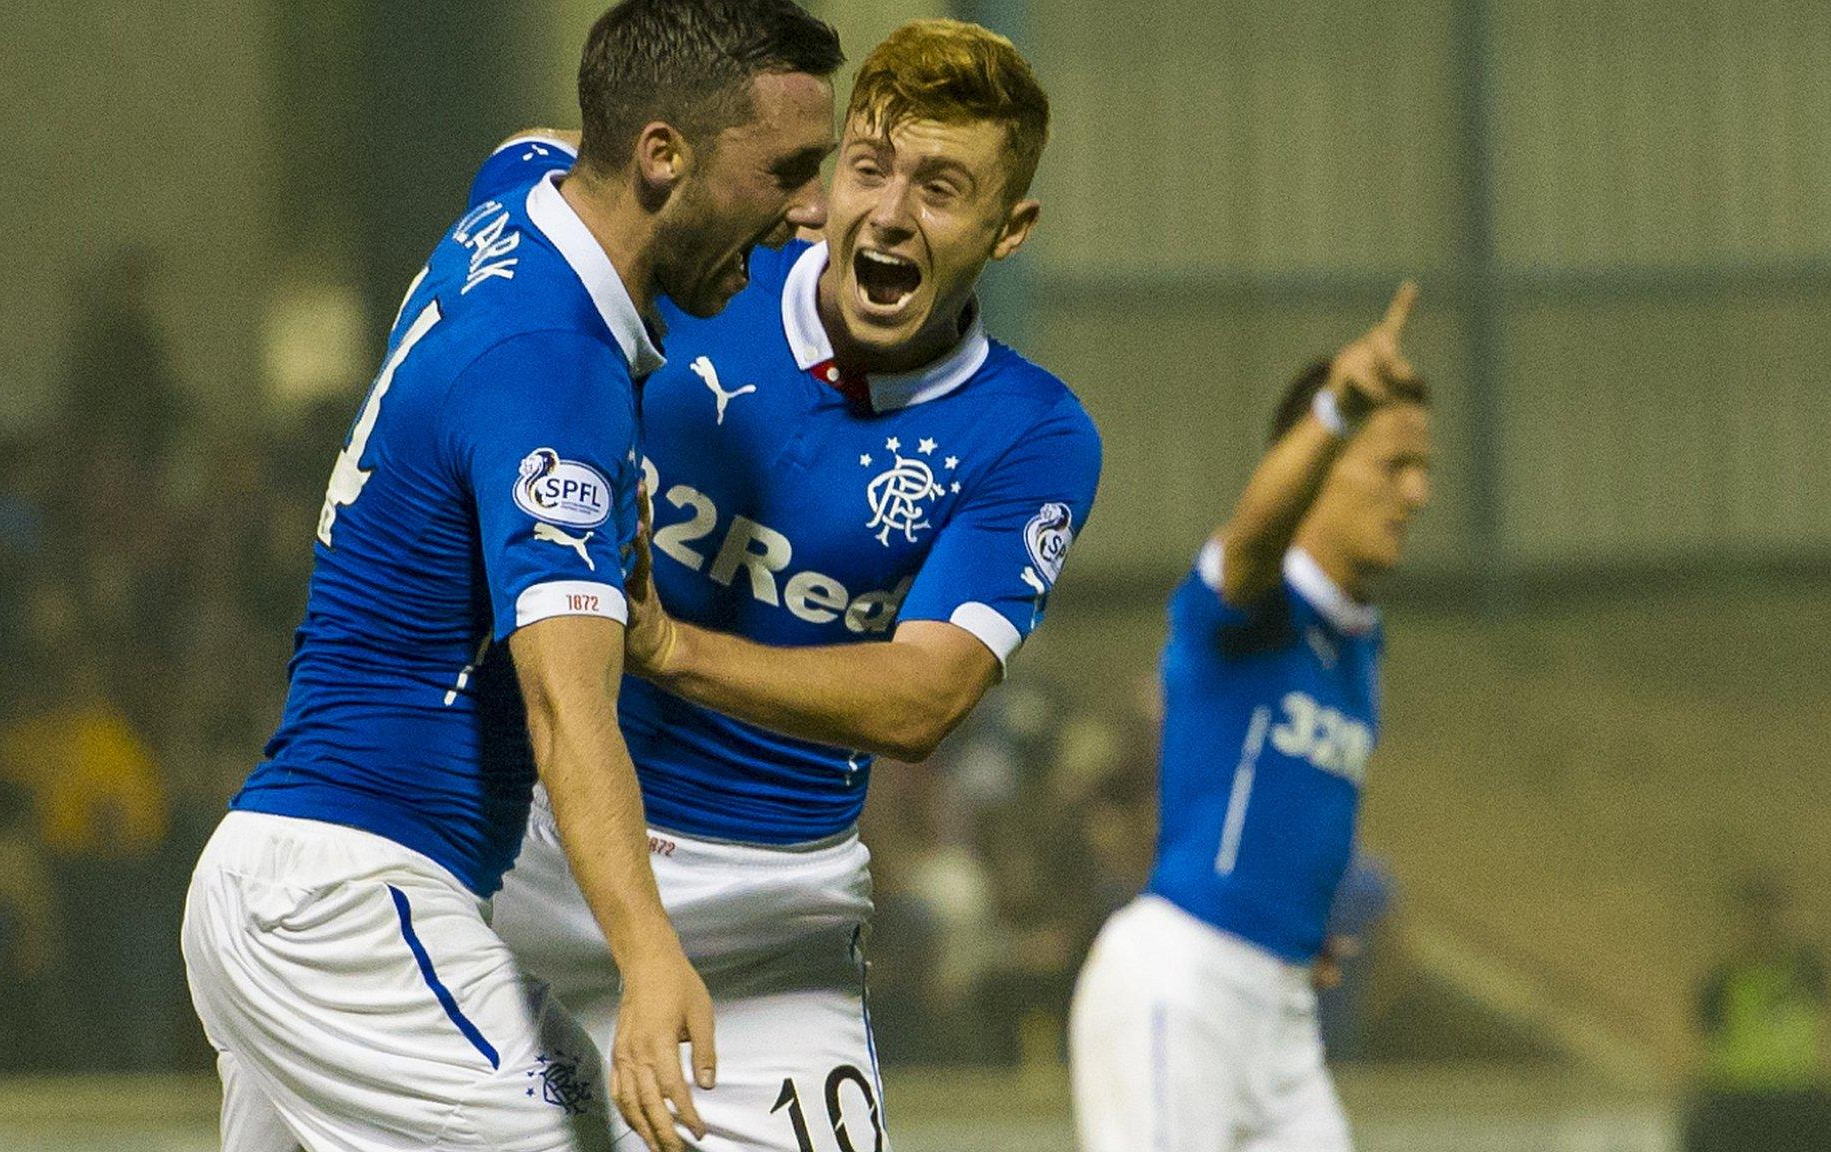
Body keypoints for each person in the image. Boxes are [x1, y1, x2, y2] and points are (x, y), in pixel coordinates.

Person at [179, 4, 842, 1152]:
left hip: (294, 884)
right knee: (579, 1134)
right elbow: (563, 703)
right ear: (661, 156)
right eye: (786, 172)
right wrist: (648, 957)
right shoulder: (553, 377)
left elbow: (533, 140)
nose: (811, 211)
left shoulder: (520, 199)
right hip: (346, 900)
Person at [478, 20, 1101, 1151]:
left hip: (770, 927)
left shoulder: (1032, 434)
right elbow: (538, 161)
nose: (891, 214)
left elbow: (923, 697)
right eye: (869, 168)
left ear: (1009, 231)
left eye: (942, 188)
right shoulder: (725, 258)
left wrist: (670, 649)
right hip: (530, 856)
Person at [1069, 285, 1430, 1152]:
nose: (1417, 492)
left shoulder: (1357, 641)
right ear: (1314, 463)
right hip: (1182, 984)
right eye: (1392, 464)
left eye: (1425, 467)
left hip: (1282, 1011)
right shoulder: (1252, 599)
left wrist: (1295, 928)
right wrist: (1338, 404)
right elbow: (1255, 536)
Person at [1680, 875, 1831, 1152]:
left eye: (1768, 921)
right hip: (1734, 1103)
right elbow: (1707, 1040)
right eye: (1751, 922)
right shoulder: (1721, 983)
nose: (1761, 931)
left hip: (1795, 1101)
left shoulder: (1805, 972)